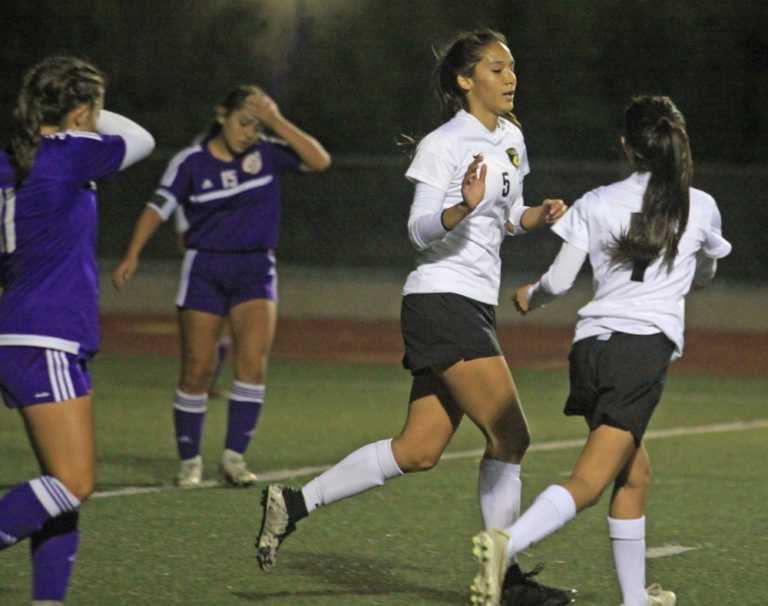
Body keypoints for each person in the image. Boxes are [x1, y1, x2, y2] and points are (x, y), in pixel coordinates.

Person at [255, 29, 575, 606]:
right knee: (511, 434)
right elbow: (419, 229)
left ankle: (293, 503)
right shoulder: (444, 143)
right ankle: (503, 578)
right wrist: (460, 207)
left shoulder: (511, 139)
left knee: (419, 449)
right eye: (498, 69)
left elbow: (507, 219)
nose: (511, 79)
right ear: (465, 80)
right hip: (441, 300)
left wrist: (539, 215)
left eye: (512, 67)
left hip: (470, 303)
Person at [469, 95, 732, 606]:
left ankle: (637, 600)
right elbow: (705, 274)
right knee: (589, 481)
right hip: (639, 352)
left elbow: (562, 280)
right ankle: (504, 546)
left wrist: (531, 294)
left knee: (635, 472)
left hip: (590, 350)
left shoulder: (595, 201)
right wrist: (691, 275)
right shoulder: (699, 205)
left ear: (625, 146)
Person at [111, 85, 331, 488]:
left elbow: (320, 160)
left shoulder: (265, 152)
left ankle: (233, 458)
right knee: (197, 370)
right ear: (221, 115)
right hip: (205, 269)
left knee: (251, 366)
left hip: (255, 269)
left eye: (256, 125)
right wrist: (132, 255)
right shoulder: (191, 162)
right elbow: (157, 207)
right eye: (244, 122)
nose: (250, 132)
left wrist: (276, 121)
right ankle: (189, 460)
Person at [0, 55, 155, 605]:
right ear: (83, 110)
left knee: (58, 489)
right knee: (74, 483)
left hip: (23, 332)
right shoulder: (66, 154)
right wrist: (88, 115)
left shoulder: (10, 163)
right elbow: (141, 138)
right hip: (48, 337)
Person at [174, 206, 232, 399]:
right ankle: (192, 382)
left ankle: (208, 384)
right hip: (202, 273)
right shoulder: (187, 198)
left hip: (230, 269)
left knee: (223, 332)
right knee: (198, 335)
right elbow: (183, 241)